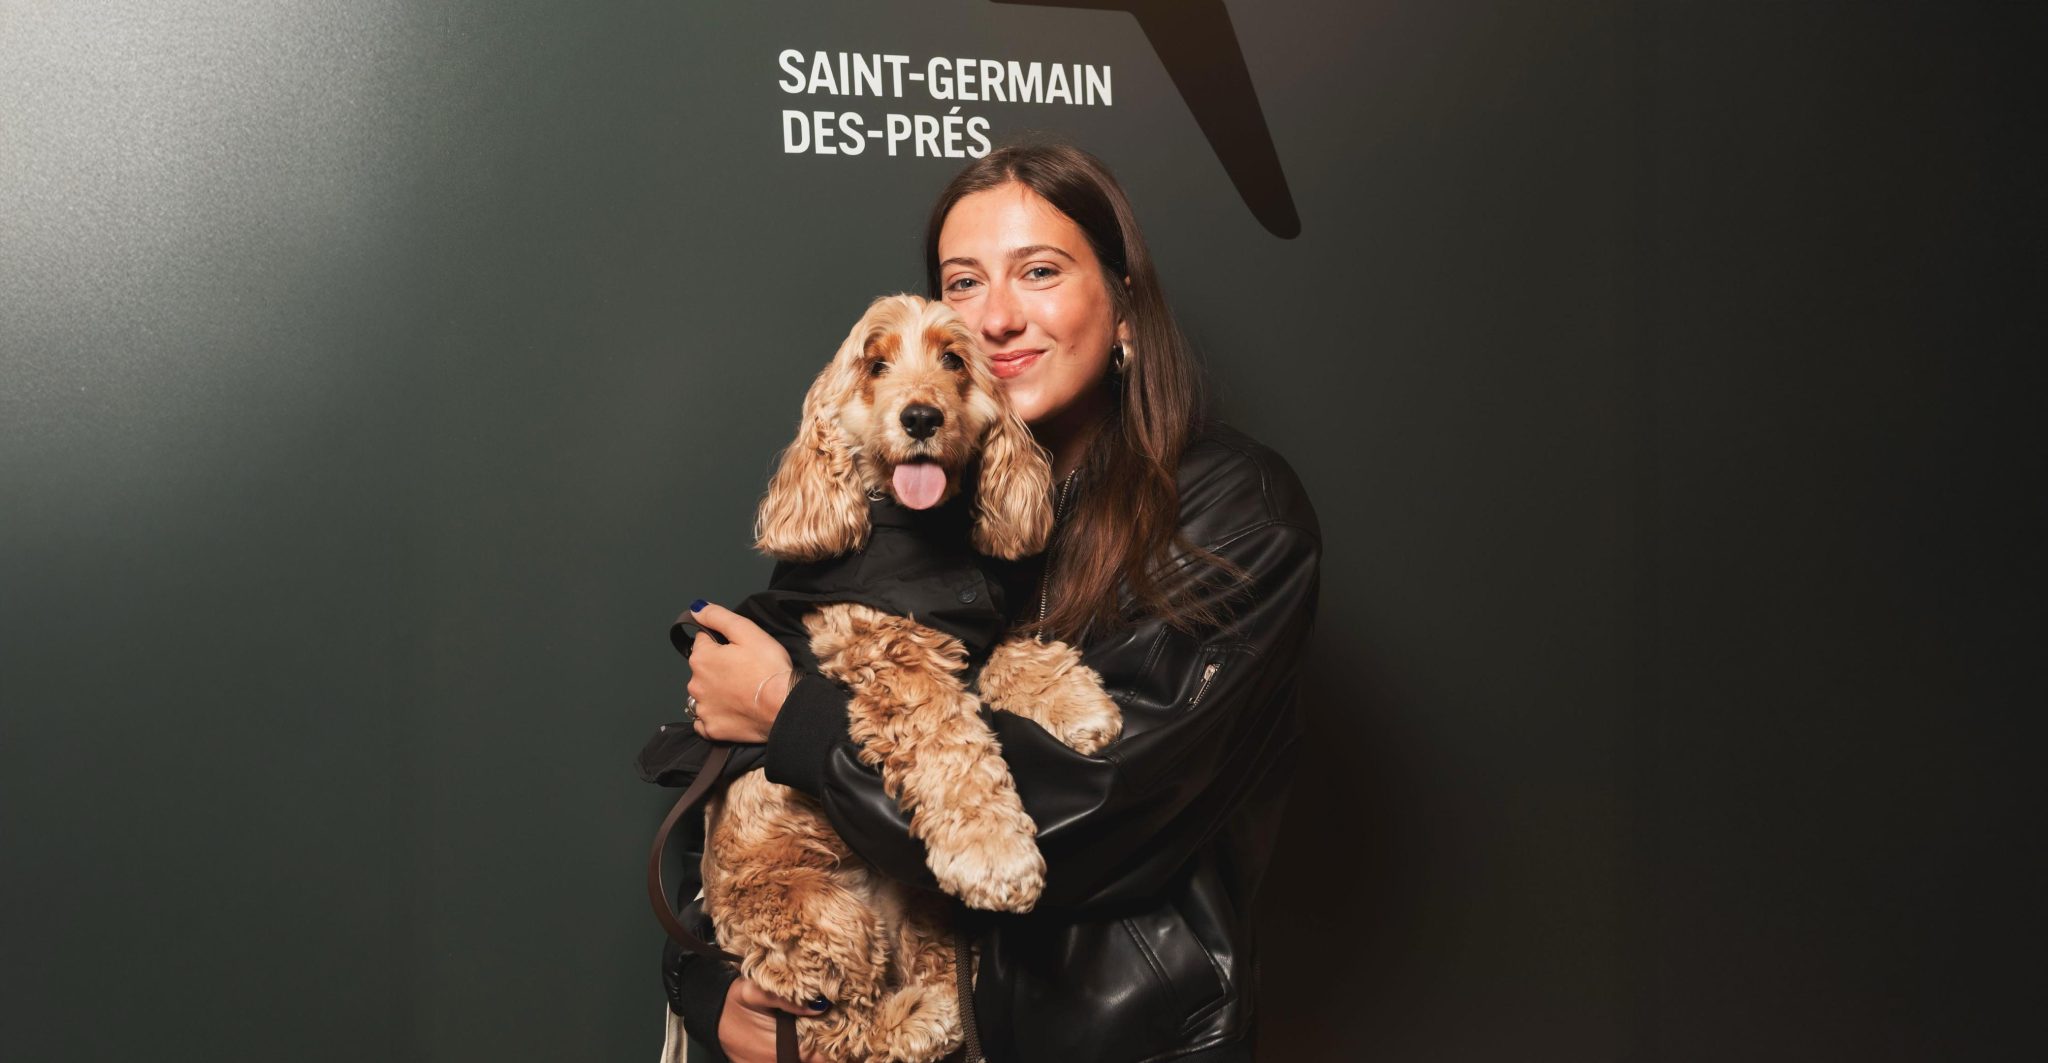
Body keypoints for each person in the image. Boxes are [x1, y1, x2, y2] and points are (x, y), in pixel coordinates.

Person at [659, 144, 1322, 1063]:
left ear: (1124, 304)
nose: (998, 317)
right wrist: (703, 984)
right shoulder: (921, 514)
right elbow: (746, 814)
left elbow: (1087, 815)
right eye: (963, 283)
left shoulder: (1232, 513)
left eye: (1040, 272)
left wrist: (788, 712)